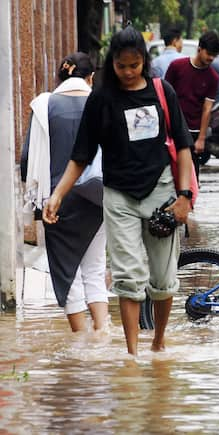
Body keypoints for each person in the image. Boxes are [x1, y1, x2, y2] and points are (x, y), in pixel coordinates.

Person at [43, 26, 195, 355]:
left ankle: (158, 343)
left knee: (162, 279)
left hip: (161, 192)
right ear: (110, 63)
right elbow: (80, 155)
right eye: (120, 65)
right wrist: (56, 195)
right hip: (119, 197)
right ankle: (132, 355)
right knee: (128, 276)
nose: (127, 72)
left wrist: (185, 197)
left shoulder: (161, 91)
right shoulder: (101, 98)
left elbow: (183, 147)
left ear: (144, 62)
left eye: (134, 65)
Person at [21, 52, 109, 333]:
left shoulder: (44, 106)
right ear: (90, 77)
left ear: (59, 78)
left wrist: (36, 200)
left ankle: (81, 344)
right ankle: (103, 334)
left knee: (68, 275)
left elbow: (27, 161)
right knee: (94, 269)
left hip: (56, 202)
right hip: (98, 198)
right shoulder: (101, 103)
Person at [165, 30, 219, 181]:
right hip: (174, 127)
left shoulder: (213, 77)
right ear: (199, 49)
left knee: (192, 176)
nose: (210, 58)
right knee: (170, 172)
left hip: (194, 130)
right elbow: (164, 97)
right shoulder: (177, 66)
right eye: (208, 53)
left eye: (214, 55)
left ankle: (189, 203)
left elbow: (207, 108)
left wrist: (201, 138)